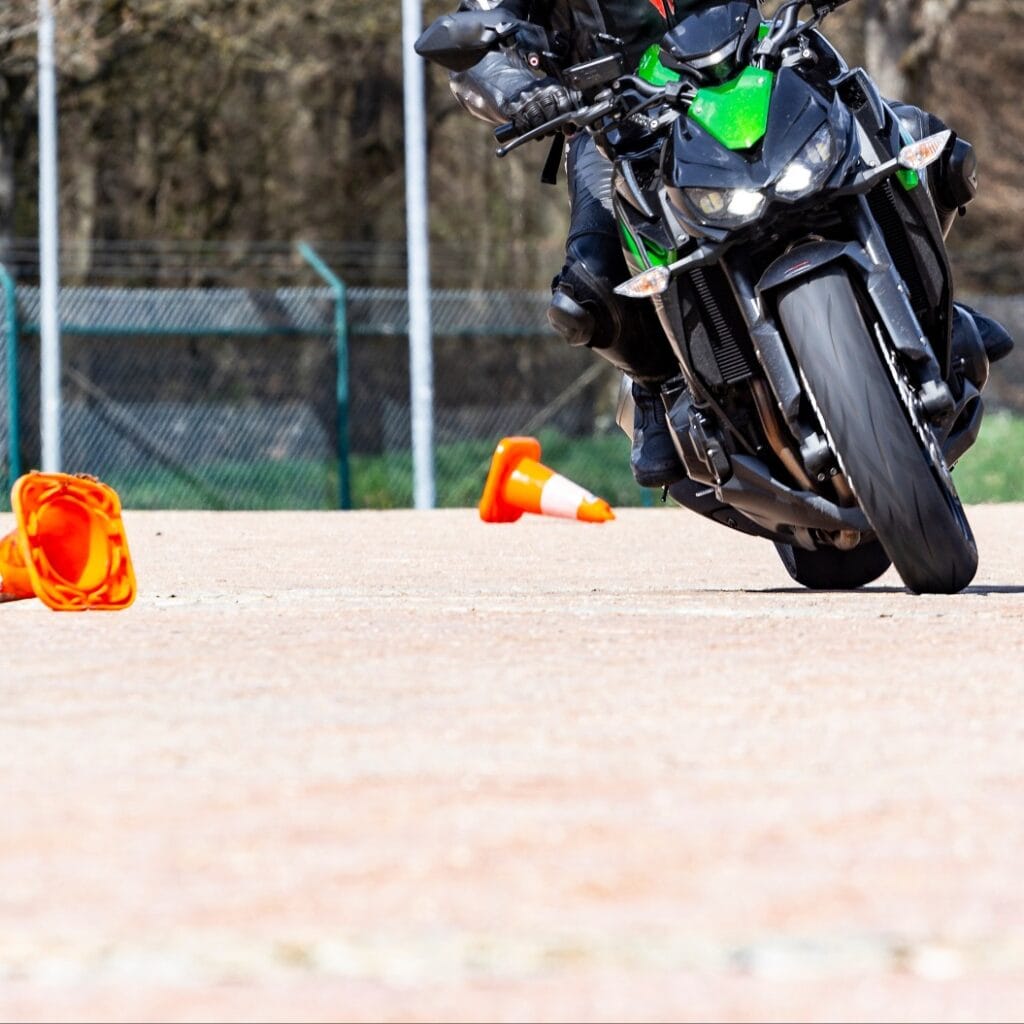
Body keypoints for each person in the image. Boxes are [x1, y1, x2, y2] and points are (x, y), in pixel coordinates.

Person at [442, 0, 1013, 486]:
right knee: (588, 293)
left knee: (920, 144)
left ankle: (926, 303)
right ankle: (661, 386)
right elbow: (480, 34)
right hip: (617, 117)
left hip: (751, 57)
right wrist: (519, 93)